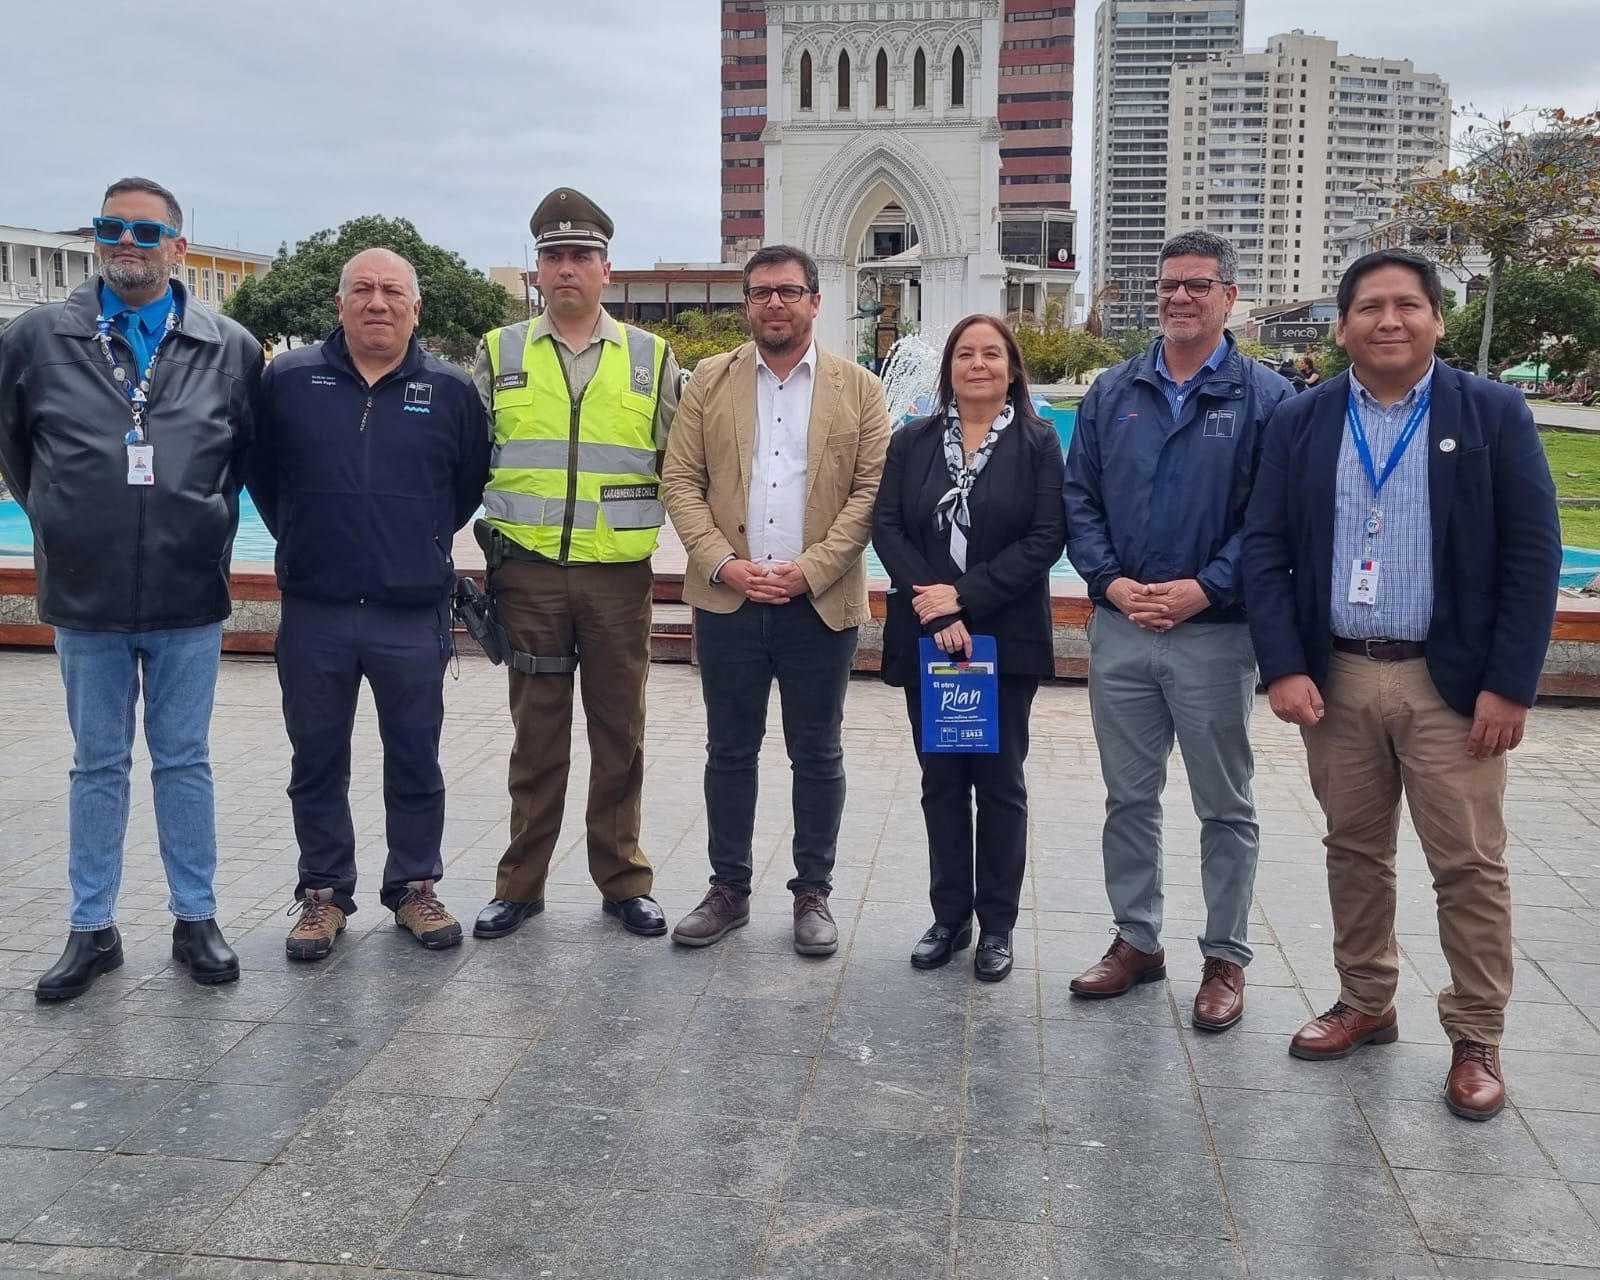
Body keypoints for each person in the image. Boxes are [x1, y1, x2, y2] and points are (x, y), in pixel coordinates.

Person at [1242, 249, 1561, 1121]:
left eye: (1408, 305)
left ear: (1437, 320)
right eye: (1371, 307)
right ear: (1342, 326)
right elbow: (1266, 549)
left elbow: (1534, 558)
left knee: (1467, 864)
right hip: (1337, 676)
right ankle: (1365, 1000)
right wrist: (1287, 665)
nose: (1390, 320)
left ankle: (1475, 1033)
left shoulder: (1491, 413)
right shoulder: (1303, 421)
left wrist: (1510, 686)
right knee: (1353, 851)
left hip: (1450, 686)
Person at [0, 177, 262, 1000]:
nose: (126, 243)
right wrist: (63, 518)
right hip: (87, 596)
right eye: (111, 228)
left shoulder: (230, 346)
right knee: (97, 765)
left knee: (185, 761)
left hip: (189, 594)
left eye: (146, 233)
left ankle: (196, 919)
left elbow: (246, 457)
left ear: (178, 247)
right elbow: (15, 452)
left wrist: (206, 525)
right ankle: (91, 928)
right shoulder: (37, 338)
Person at [1063, 230, 1294, 1031]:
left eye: (1198, 285)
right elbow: (1079, 503)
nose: (1179, 298)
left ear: (1230, 296)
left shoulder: (1267, 400)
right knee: (1129, 797)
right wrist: (1111, 583)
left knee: (1224, 805)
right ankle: (1137, 941)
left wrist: (1205, 588)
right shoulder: (1110, 391)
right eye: (1168, 285)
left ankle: (1225, 957)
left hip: (1215, 634)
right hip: (1122, 630)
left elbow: (1273, 521)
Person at [248, 248, 491, 960]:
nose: (377, 302)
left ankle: (414, 886)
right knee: (316, 757)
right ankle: (322, 894)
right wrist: (303, 534)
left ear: (416, 308)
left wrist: (411, 541)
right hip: (316, 609)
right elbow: (263, 474)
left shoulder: (448, 391)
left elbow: (465, 485)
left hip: (410, 611)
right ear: (341, 303)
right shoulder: (288, 380)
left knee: (415, 756)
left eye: (392, 291)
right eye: (363, 289)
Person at [662, 245, 889, 955]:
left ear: (815, 302)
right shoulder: (709, 380)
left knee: (817, 753)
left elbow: (869, 494)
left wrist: (809, 569)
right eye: (762, 293)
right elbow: (681, 481)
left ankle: (812, 893)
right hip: (729, 600)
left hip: (817, 604)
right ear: (748, 304)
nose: (775, 304)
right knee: (729, 749)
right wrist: (726, 565)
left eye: (790, 292)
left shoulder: (861, 388)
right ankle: (728, 887)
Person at [471, 188, 680, 941]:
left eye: (581, 257)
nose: (568, 269)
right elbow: (464, 462)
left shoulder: (653, 360)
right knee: (538, 737)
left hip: (618, 578)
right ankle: (520, 885)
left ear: (606, 270)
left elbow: (685, 464)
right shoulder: (498, 353)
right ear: (537, 269)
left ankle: (623, 879)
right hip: (526, 575)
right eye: (554, 256)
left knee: (620, 733)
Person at [871, 315, 1066, 981]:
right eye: (964, 354)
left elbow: (1045, 539)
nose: (976, 364)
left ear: (1012, 368)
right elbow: (888, 526)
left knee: (1000, 783)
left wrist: (966, 599)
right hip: (931, 638)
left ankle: (998, 927)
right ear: (949, 367)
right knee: (943, 781)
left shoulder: (1039, 444)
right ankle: (949, 917)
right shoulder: (913, 441)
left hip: (1001, 636)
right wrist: (934, 604)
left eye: (991, 354)